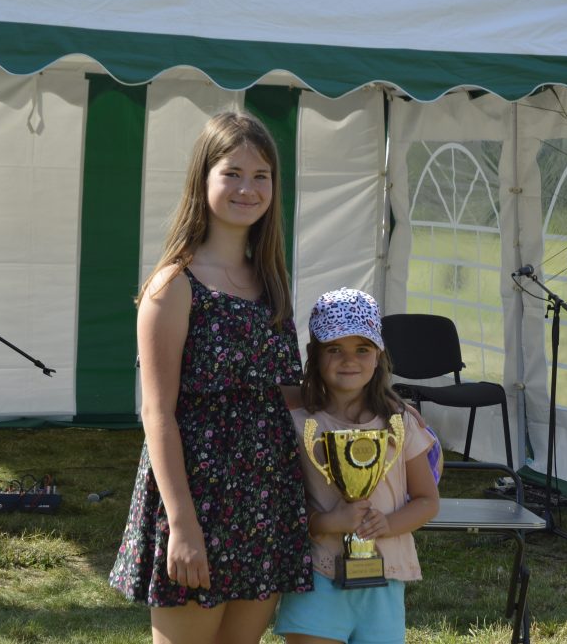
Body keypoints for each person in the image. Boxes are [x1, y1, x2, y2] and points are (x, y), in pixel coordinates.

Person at [109, 111, 313, 644]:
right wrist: (182, 524)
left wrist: (370, 412)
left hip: (266, 497)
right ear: (202, 179)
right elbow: (157, 414)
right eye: (232, 173)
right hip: (197, 497)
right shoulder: (173, 285)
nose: (248, 188)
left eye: (261, 175)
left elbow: (290, 397)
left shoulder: (271, 281)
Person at [275, 287, 440, 644]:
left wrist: (388, 525)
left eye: (362, 349)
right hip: (317, 574)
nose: (349, 360)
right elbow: (281, 510)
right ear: (314, 355)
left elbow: (428, 500)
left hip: (385, 576)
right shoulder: (296, 425)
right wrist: (327, 522)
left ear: (379, 355)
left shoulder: (399, 422)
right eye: (335, 349)